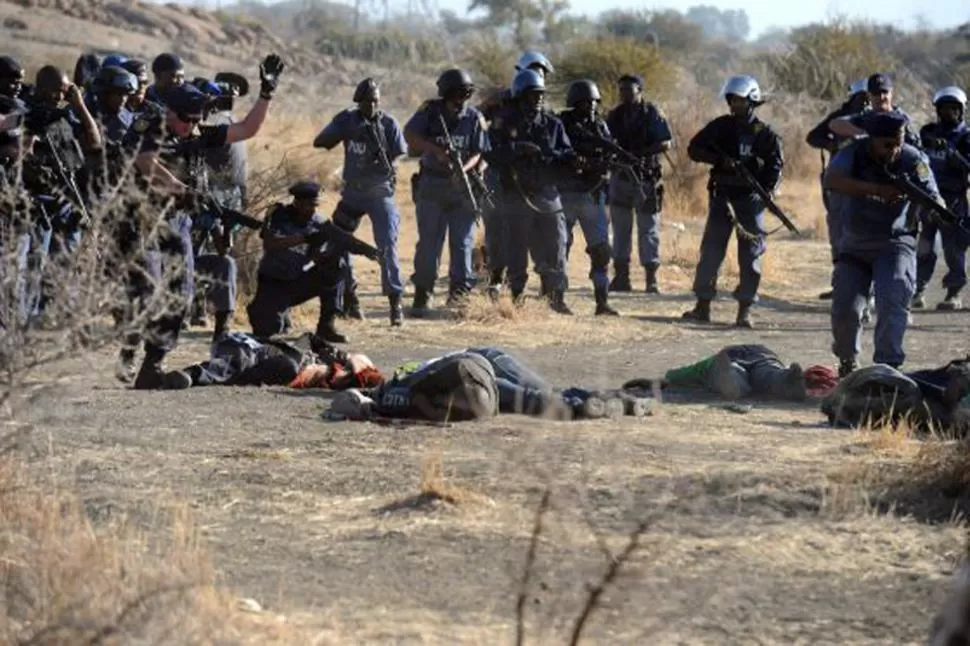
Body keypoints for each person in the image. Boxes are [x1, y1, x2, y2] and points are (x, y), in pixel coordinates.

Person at [117, 54, 284, 389]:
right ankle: (129, 350)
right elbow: (144, 161)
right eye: (186, 120)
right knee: (147, 289)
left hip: (176, 222)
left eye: (196, 120)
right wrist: (181, 188)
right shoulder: (149, 128)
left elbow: (246, 129)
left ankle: (154, 364)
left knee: (183, 292)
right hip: (142, 219)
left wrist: (266, 93)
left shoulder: (194, 133)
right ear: (169, 112)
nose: (191, 126)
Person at [823, 111, 944, 377]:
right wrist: (877, 190)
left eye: (899, 142)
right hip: (854, 244)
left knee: (893, 299)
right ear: (872, 140)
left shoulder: (913, 159)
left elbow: (933, 194)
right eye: (887, 144)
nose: (895, 149)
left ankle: (887, 369)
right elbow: (831, 180)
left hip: (895, 243)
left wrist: (936, 209)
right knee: (845, 308)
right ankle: (847, 364)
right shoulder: (853, 153)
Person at [683, 75, 784, 328]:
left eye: (739, 99)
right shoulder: (720, 127)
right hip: (722, 197)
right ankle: (702, 305)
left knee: (750, 256)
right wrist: (720, 161)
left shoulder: (765, 134)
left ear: (752, 101)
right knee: (711, 252)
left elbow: (775, 166)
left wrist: (767, 192)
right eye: (732, 99)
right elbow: (694, 149)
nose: (735, 104)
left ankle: (745, 310)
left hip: (749, 201)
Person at [313, 77, 407, 326]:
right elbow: (320, 141)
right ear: (358, 102)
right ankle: (349, 298)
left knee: (387, 245)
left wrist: (385, 162)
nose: (372, 107)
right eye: (367, 103)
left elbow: (399, 156)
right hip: (353, 193)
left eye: (375, 102)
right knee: (338, 243)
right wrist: (345, 130)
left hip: (380, 193)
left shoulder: (388, 124)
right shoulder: (348, 119)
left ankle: (395, 303)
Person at [484, 68, 574, 314]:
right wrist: (517, 148)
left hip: (547, 194)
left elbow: (567, 154)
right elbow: (490, 153)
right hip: (516, 194)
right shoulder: (504, 122)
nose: (538, 100)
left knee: (556, 244)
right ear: (521, 96)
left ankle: (555, 296)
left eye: (541, 96)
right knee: (516, 248)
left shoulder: (553, 124)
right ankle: (516, 295)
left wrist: (549, 157)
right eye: (533, 96)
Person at [245, 181, 380, 343]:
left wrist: (366, 250)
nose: (314, 209)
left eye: (316, 205)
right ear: (298, 203)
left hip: (299, 279)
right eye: (309, 205)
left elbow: (341, 238)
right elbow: (270, 244)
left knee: (336, 266)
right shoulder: (278, 216)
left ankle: (326, 327)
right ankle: (271, 312)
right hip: (274, 282)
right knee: (267, 331)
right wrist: (304, 239)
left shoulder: (318, 221)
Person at [404, 68, 488, 314]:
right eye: (456, 95)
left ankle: (460, 295)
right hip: (432, 186)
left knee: (463, 244)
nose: (460, 101)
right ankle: (423, 293)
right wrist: (436, 151)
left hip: (463, 188)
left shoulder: (474, 118)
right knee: (430, 244)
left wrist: (464, 168)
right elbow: (410, 135)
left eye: (465, 94)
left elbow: (480, 152)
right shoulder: (429, 112)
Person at [478, 51, 555, 296]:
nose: (538, 76)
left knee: (539, 230)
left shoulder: (540, 104)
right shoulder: (501, 100)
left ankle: (545, 284)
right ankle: (496, 277)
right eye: (533, 70)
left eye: (542, 73)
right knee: (497, 225)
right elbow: (476, 121)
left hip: (530, 178)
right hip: (499, 172)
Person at [604, 74, 673, 294]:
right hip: (621, 177)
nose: (624, 94)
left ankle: (651, 278)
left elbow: (665, 143)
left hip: (646, 178)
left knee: (648, 230)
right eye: (621, 90)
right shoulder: (615, 115)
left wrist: (639, 154)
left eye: (629, 90)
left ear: (640, 91)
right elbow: (604, 141)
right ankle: (621, 277)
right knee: (621, 229)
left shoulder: (652, 113)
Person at [557, 79, 618, 315]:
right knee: (560, 247)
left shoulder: (600, 127)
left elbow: (610, 154)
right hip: (566, 193)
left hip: (593, 193)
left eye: (593, 102)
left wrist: (600, 164)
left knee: (601, 250)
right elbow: (558, 153)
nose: (591, 107)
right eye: (585, 103)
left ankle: (602, 302)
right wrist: (575, 160)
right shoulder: (562, 125)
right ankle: (557, 298)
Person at [805, 78, 870, 300]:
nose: (863, 103)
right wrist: (834, 145)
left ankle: (867, 287)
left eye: (867, 98)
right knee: (838, 234)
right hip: (840, 184)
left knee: (867, 233)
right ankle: (841, 283)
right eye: (859, 98)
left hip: (869, 185)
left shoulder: (879, 118)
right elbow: (813, 137)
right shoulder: (840, 117)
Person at [913, 86, 970, 311]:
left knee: (953, 249)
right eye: (945, 109)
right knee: (925, 246)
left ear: (962, 110)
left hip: (953, 201)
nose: (950, 113)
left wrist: (953, 155)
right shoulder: (928, 132)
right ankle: (917, 290)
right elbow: (915, 157)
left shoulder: (966, 137)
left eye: (954, 109)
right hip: (927, 198)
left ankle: (954, 293)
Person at [828, 73, 921, 148]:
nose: (881, 97)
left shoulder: (902, 118)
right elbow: (834, 124)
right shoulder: (865, 117)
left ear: (891, 93)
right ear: (869, 96)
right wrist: (863, 133)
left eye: (884, 92)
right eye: (876, 93)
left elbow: (915, 148)